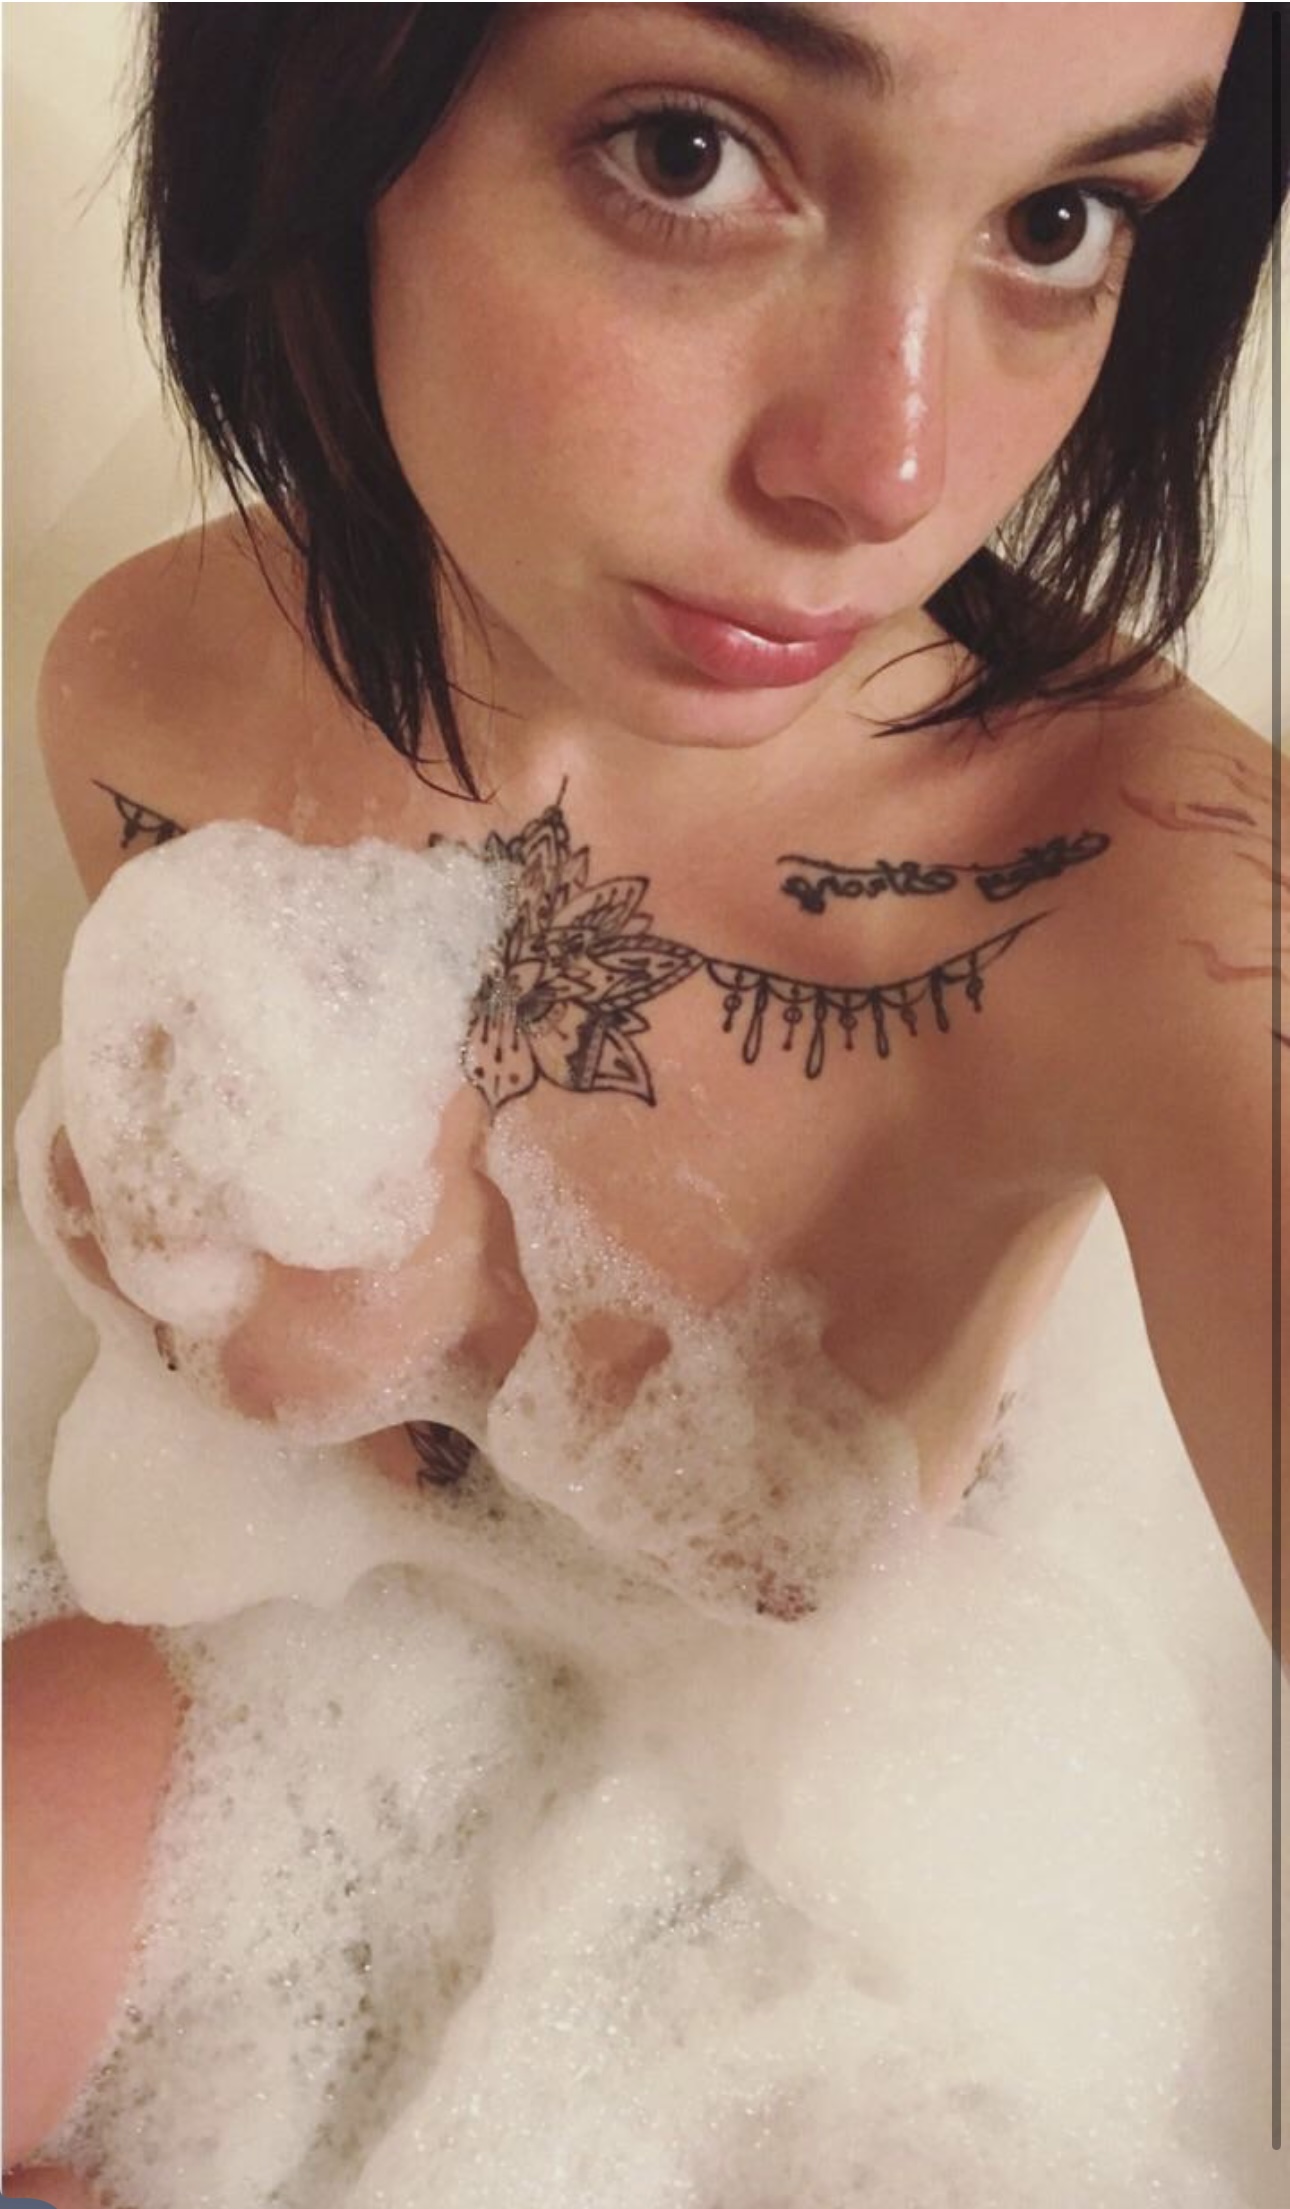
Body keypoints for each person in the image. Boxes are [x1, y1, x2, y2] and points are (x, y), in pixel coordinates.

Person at [6, 5, 1286, 2202]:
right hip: (307, 1673)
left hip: (833, 1902)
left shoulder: (1142, 903)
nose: (884, 469)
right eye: (690, 154)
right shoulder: (152, 695)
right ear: (335, 94)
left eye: (1061, 220)